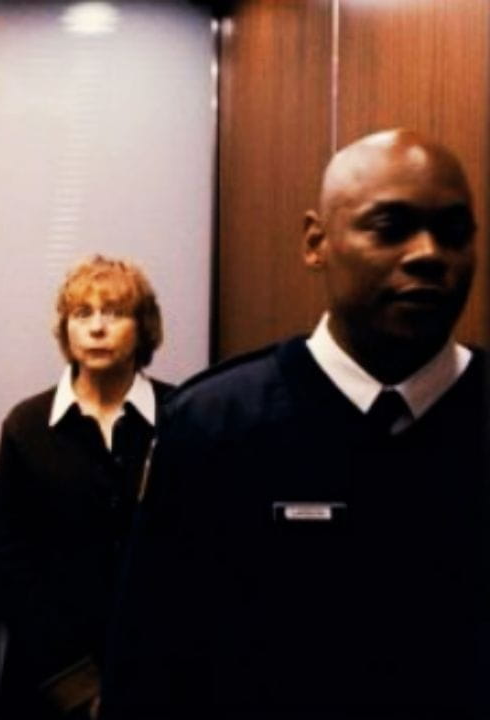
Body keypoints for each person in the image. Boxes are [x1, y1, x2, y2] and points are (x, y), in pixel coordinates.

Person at [103, 129, 487, 718]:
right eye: (390, 227)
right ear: (316, 242)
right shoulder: (214, 425)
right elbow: (150, 668)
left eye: (454, 232)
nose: (429, 254)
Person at [0, 256, 174, 719]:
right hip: (47, 678)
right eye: (82, 313)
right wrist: (74, 684)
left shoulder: (182, 416)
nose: (97, 328)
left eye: (114, 313)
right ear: (65, 329)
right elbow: (10, 560)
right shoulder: (26, 426)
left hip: (157, 671)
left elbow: (197, 554)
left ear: (143, 327)